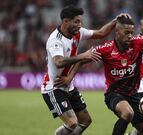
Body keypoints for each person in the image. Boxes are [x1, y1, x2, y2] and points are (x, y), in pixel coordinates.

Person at [41, 5, 130, 135]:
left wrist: (116, 20)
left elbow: (101, 33)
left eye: (80, 21)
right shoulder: (55, 40)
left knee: (85, 121)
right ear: (65, 21)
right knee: (72, 123)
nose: (79, 25)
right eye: (76, 21)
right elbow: (59, 62)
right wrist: (83, 55)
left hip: (68, 86)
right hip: (54, 87)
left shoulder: (78, 33)